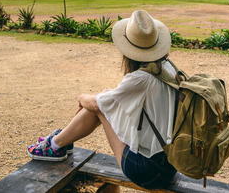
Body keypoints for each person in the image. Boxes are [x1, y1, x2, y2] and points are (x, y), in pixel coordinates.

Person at [26, 10, 178, 191]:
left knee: (97, 106)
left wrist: (82, 98)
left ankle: (54, 145)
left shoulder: (140, 78)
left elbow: (98, 105)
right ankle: (58, 142)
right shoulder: (168, 68)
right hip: (170, 164)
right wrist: (101, 97)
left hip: (146, 171)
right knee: (103, 99)